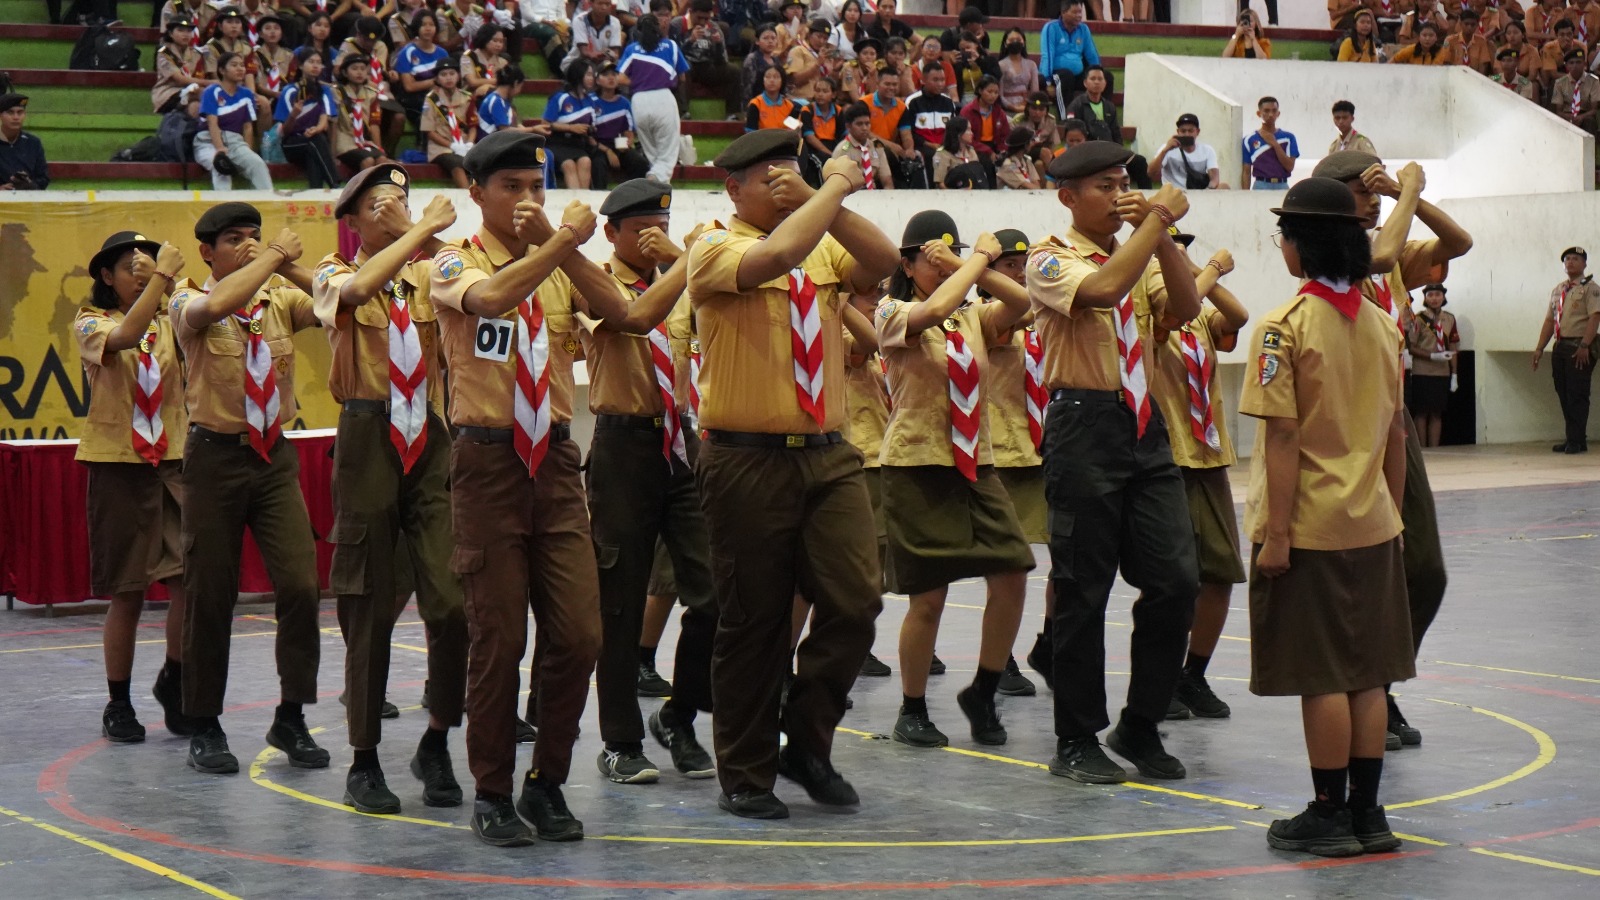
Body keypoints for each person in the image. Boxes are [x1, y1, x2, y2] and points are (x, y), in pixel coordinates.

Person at [686, 129, 898, 819]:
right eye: (766, 177)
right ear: (733, 188)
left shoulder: (820, 239)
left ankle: (806, 741)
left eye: (789, 173)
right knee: (756, 620)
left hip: (828, 452)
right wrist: (833, 185)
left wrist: (822, 199)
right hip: (745, 457)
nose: (780, 185)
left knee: (858, 598)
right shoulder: (716, 243)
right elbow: (776, 253)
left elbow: (885, 259)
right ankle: (745, 770)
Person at [429, 131, 622, 846]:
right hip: (487, 465)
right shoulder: (451, 262)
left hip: (559, 465)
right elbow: (492, 299)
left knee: (579, 633)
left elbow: (622, 311)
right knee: (499, 636)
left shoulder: (558, 260)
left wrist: (567, 246)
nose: (526, 201)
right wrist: (553, 246)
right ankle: (491, 790)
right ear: (476, 193)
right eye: (510, 188)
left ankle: (546, 781)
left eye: (534, 187)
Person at [1242, 176, 1411, 859]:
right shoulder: (1381, 324)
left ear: (1300, 247)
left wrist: (1277, 536)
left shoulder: (1283, 330)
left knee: (1322, 677)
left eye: (1285, 234)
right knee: (1368, 673)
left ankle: (1328, 813)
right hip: (1373, 525)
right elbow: (1396, 434)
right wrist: (1391, 515)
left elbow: (1283, 439)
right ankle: (1371, 816)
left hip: (1308, 527)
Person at [1025, 141, 1201, 785]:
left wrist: (1163, 235)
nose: (1118, 194)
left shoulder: (1142, 248)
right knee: (1082, 588)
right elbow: (1101, 291)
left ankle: (1141, 722)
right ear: (1068, 197)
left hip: (1143, 423)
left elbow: (1183, 309)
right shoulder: (1050, 256)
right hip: (1083, 423)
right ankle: (1076, 737)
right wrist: (1152, 223)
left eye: (1124, 182)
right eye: (1103, 186)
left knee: (1177, 579)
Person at [311, 167, 468, 815]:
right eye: (383, 203)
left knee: (453, 600)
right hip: (368, 432)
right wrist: (426, 229)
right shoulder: (333, 270)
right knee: (370, 606)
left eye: (404, 200)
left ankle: (436, 741)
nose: (399, 209)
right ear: (355, 221)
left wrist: (438, 243)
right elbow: (359, 290)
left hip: (428, 436)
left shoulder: (432, 274)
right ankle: (364, 757)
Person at [1311, 149, 1473, 747]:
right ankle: (1368, 685)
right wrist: (1406, 190)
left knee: (1423, 568)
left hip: (1391, 416)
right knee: (1361, 571)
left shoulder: (1396, 247)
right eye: (1361, 186)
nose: (1374, 194)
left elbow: (1459, 241)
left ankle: (1384, 680)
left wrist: (1414, 194)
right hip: (1341, 420)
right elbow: (1375, 255)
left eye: (1377, 184)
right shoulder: (1334, 244)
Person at [169, 202, 323, 776]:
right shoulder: (185, 298)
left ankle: (292, 715)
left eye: (254, 237)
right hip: (215, 458)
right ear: (207, 251)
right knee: (210, 593)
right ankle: (204, 722)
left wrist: (288, 268)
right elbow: (218, 304)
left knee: (302, 584)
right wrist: (277, 256)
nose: (249, 246)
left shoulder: (278, 297)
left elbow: (340, 302)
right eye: (234, 239)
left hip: (274, 457)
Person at [875, 213, 1035, 750]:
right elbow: (936, 308)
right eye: (930, 255)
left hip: (976, 463)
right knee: (930, 597)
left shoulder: (973, 315)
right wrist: (976, 262)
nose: (942, 264)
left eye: (951, 253)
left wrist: (977, 268)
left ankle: (984, 691)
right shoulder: (892, 310)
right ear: (907, 263)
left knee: (1013, 571)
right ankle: (912, 708)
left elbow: (1023, 305)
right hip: (916, 464)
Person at [579, 179, 721, 786]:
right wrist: (686, 259)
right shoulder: (591, 279)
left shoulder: (682, 284)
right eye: (637, 226)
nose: (651, 234)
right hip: (622, 448)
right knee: (621, 602)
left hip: (680, 443)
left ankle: (680, 715)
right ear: (612, 233)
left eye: (659, 222)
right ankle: (619, 741)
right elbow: (635, 320)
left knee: (714, 590)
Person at [74, 232, 192, 743]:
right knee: (128, 590)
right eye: (129, 266)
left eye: (148, 262)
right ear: (106, 277)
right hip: (118, 461)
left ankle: (176, 679)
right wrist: (162, 278)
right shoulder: (91, 321)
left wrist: (172, 287)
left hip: (176, 459)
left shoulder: (174, 316)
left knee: (188, 580)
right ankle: (118, 701)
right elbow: (124, 338)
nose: (142, 271)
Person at [1143, 235, 1249, 720]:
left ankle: (1194, 675)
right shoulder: (1149, 317)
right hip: (1170, 460)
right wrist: (1206, 268)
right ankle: (1158, 678)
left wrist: (1203, 277)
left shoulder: (1201, 319)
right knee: (1173, 581)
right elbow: (1173, 315)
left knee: (1221, 573)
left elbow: (1238, 318)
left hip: (1209, 456)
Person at [1533, 246, 1600, 453]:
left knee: (1577, 394)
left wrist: (1584, 345)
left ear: (1584, 264)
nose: (1570, 262)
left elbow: (1595, 316)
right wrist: (1539, 348)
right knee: (1563, 392)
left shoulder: (1590, 288)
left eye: (1576, 259)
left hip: (1579, 346)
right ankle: (1572, 437)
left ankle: (1578, 441)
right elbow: (1549, 320)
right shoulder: (1559, 290)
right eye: (1567, 259)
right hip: (1560, 347)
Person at [618, 11, 687, 182]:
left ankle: (653, 189)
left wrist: (639, 82)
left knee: (653, 153)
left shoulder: (631, 49)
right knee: (667, 155)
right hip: (663, 98)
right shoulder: (670, 46)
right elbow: (682, 77)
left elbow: (619, 77)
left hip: (639, 101)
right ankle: (654, 182)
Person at [195, 55, 275, 191]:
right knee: (221, 166)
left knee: (257, 163)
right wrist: (220, 149)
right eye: (234, 65)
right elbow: (212, 124)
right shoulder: (211, 91)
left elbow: (247, 127)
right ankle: (225, 209)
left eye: (241, 65)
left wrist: (247, 152)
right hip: (208, 142)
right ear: (222, 70)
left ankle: (269, 203)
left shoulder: (247, 94)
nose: (240, 69)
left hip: (236, 142)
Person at [276, 48, 342, 188]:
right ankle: (335, 184)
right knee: (315, 143)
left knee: (314, 146)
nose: (315, 66)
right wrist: (294, 114)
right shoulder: (290, 91)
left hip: (313, 140)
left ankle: (316, 191)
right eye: (311, 62)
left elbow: (324, 121)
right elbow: (285, 131)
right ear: (300, 65)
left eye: (319, 62)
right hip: (291, 143)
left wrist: (316, 129)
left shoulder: (324, 90)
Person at [1406, 283, 1459, 447]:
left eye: (1437, 294)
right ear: (1425, 298)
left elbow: (1453, 347)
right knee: (1421, 413)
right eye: (1430, 295)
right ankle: (1422, 449)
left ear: (1443, 297)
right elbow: (1411, 346)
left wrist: (1454, 374)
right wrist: (1432, 356)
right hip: (1422, 371)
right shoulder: (1418, 319)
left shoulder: (1449, 319)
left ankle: (1435, 450)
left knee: (1437, 413)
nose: (1434, 298)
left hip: (1442, 373)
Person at [672, 0, 743, 120]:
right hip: (686, 64)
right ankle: (683, 113)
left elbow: (721, 61)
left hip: (707, 66)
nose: (703, 22)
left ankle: (733, 113)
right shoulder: (678, 24)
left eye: (706, 18)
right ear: (691, 12)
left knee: (734, 71)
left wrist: (719, 44)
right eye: (699, 17)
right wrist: (690, 41)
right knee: (684, 69)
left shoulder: (714, 27)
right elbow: (673, 55)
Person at [590, 61, 648, 188]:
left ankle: (634, 198)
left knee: (640, 163)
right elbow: (588, 137)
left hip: (618, 144)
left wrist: (628, 143)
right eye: (605, 75)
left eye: (614, 74)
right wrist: (608, 151)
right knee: (598, 164)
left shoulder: (624, 103)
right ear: (597, 80)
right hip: (597, 146)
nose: (611, 77)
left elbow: (629, 132)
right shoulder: (590, 102)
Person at [419, 56, 474, 189]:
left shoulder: (467, 97)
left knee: (479, 162)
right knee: (456, 163)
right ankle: (468, 198)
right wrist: (452, 146)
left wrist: (470, 143)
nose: (448, 78)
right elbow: (429, 131)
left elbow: (473, 125)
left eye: (452, 74)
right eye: (443, 75)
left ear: (458, 75)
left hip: (464, 144)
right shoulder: (431, 99)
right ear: (437, 79)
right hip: (441, 148)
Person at [333, 53, 394, 172]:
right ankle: (361, 190)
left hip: (363, 141)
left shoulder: (371, 94)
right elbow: (333, 124)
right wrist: (332, 153)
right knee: (368, 160)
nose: (359, 72)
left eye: (363, 69)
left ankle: (376, 190)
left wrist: (379, 149)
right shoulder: (337, 92)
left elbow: (374, 123)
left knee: (381, 159)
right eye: (354, 69)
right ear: (345, 72)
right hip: (345, 140)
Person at [1040, 1, 1100, 119]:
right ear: (1063, 13)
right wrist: (1047, 82)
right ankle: (1065, 118)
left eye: (1080, 12)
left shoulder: (1083, 29)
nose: (1079, 15)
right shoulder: (1051, 28)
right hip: (1055, 75)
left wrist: (1098, 73)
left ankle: (1100, 116)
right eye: (1075, 12)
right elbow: (1047, 55)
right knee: (1066, 76)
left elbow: (1092, 55)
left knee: (1105, 77)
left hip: (1077, 75)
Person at [392, 9, 451, 127]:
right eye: (424, 25)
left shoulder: (442, 53)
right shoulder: (407, 52)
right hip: (414, 99)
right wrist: (434, 81)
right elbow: (409, 86)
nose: (428, 28)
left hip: (439, 94)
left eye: (431, 25)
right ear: (416, 28)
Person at [546, 60, 598, 190]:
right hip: (557, 142)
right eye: (589, 75)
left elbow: (591, 125)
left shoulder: (589, 100)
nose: (592, 78)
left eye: (592, 75)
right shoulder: (560, 97)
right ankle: (574, 204)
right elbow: (546, 124)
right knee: (569, 165)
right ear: (578, 75)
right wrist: (570, 128)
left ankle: (584, 201)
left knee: (585, 161)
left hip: (577, 143)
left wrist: (590, 132)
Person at [153, 16, 211, 114]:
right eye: (180, 30)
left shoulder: (196, 53)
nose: (185, 34)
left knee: (195, 106)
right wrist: (210, 83)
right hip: (168, 93)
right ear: (171, 33)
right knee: (205, 93)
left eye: (188, 31)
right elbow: (180, 79)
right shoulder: (165, 52)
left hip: (192, 90)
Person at [832, 101, 894, 190]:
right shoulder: (842, 149)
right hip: (851, 195)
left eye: (867, 123)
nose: (864, 128)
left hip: (873, 195)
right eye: (859, 124)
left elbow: (887, 181)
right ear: (848, 126)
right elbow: (836, 186)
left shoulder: (877, 146)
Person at [1150, 113, 1220, 190]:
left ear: (1197, 132)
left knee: (1224, 186)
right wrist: (1165, 150)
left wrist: (1206, 192)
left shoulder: (1207, 150)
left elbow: (1214, 179)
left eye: (1190, 131)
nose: (1187, 134)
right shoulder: (1166, 148)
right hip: (1173, 194)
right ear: (1178, 132)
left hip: (1199, 192)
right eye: (1183, 131)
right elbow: (1151, 173)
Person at [1241, 96, 1297, 191]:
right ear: (1259, 113)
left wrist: (1274, 143)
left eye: (1274, 111)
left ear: (1278, 113)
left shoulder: (1288, 138)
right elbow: (1246, 171)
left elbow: (1290, 166)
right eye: (1266, 111)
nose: (1270, 114)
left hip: (1282, 184)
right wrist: (1245, 194)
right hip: (1260, 184)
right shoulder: (1249, 139)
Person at [908, 64, 958, 165]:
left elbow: (953, 130)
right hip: (922, 147)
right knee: (934, 156)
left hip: (944, 146)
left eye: (943, 80)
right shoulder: (913, 102)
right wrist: (930, 144)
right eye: (935, 80)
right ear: (924, 80)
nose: (940, 84)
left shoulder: (948, 102)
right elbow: (909, 132)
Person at [961, 76, 1010, 170]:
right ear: (980, 91)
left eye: (996, 92)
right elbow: (967, 139)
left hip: (995, 146)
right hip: (975, 147)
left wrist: (1002, 150)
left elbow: (1005, 135)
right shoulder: (967, 111)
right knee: (987, 164)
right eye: (989, 92)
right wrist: (988, 151)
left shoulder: (999, 112)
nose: (993, 96)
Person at [0, 93, 48, 191]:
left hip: (26, 201)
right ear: (0, 115)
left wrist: (29, 184)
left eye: (20, 112)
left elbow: (43, 179)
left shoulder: (33, 143)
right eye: (10, 112)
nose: (16, 117)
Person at [800, 77, 844, 180]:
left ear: (833, 94)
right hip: (813, 149)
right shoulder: (807, 110)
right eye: (818, 90)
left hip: (834, 146)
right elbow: (810, 137)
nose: (820, 94)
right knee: (822, 162)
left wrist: (840, 152)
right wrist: (830, 153)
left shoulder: (838, 111)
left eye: (825, 91)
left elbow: (844, 136)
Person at [786, 19, 838, 103]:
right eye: (819, 36)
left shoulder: (826, 55)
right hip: (800, 100)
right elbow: (796, 81)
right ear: (809, 34)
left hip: (821, 102)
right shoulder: (798, 51)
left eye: (825, 38)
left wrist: (836, 70)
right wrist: (817, 65)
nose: (821, 41)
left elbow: (831, 85)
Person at [566, 0, 625, 72]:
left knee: (620, 68)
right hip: (579, 61)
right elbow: (584, 52)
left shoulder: (615, 22)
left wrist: (610, 55)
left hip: (604, 62)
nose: (604, 7)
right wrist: (599, 55)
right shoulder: (580, 20)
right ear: (591, 4)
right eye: (600, 3)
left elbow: (615, 52)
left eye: (607, 4)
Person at [1552, 48, 1600, 133]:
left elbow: (1594, 109)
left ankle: (1590, 145)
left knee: (1590, 122)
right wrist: (1571, 117)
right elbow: (1558, 111)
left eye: (1578, 62)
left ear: (1584, 64)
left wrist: (1581, 117)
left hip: (1585, 114)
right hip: (1567, 114)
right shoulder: (1560, 83)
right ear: (1566, 66)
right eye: (1571, 63)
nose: (1575, 66)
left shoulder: (1594, 81)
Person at [932, 114, 985, 188]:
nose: (972, 133)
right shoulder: (942, 154)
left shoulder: (971, 151)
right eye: (968, 130)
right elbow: (940, 183)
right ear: (958, 133)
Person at [747, 66, 804, 132]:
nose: (772, 80)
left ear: (782, 81)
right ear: (763, 80)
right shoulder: (756, 104)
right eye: (768, 77)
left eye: (776, 77)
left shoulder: (791, 106)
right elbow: (750, 133)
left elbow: (793, 131)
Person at [997, 27, 1039, 115]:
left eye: (1018, 39)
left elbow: (1035, 91)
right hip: (1007, 108)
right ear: (1005, 43)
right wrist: (1013, 107)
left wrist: (1027, 105)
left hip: (1027, 107)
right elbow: (999, 94)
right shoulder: (1000, 65)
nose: (1015, 42)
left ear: (1023, 43)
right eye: (1011, 40)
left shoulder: (1031, 65)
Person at [463, 24, 512, 99]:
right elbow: (472, 82)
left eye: (501, 42)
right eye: (495, 41)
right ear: (484, 39)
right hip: (471, 97)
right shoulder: (468, 56)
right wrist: (497, 81)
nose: (498, 45)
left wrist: (489, 86)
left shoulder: (503, 62)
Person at [203, 8, 253, 79]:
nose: (234, 26)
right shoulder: (211, 47)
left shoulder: (246, 47)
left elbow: (249, 74)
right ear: (220, 26)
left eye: (237, 22)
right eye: (229, 22)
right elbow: (213, 75)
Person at [743, 24, 786, 105]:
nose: (770, 41)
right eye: (765, 38)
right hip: (757, 102)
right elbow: (748, 88)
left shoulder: (776, 60)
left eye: (773, 38)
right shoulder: (752, 59)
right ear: (757, 41)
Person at [1446, 9, 1495, 74]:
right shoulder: (1450, 40)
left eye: (1473, 25)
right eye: (1466, 24)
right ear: (1460, 23)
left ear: (1477, 25)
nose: (1469, 27)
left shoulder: (1481, 41)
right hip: (1455, 76)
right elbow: (1446, 62)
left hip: (1474, 77)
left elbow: (1483, 65)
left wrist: (1477, 80)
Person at [911, 35, 958, 102]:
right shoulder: (913, 70)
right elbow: (912, 96)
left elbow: (954, 95)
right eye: (928, 46)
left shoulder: (947, 67)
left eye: (936, 47)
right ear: (921, 49)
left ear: (940, 53)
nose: (931, 50)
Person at [839, 36, 880, 104]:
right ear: (858, 55)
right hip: (847, 103)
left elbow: (874, 97)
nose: (868, 57)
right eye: (864, 53)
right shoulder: (848, 69)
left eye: (872, 54)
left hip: (868, 104)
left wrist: (872, 76)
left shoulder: (876, 70)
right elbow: (855, 99)